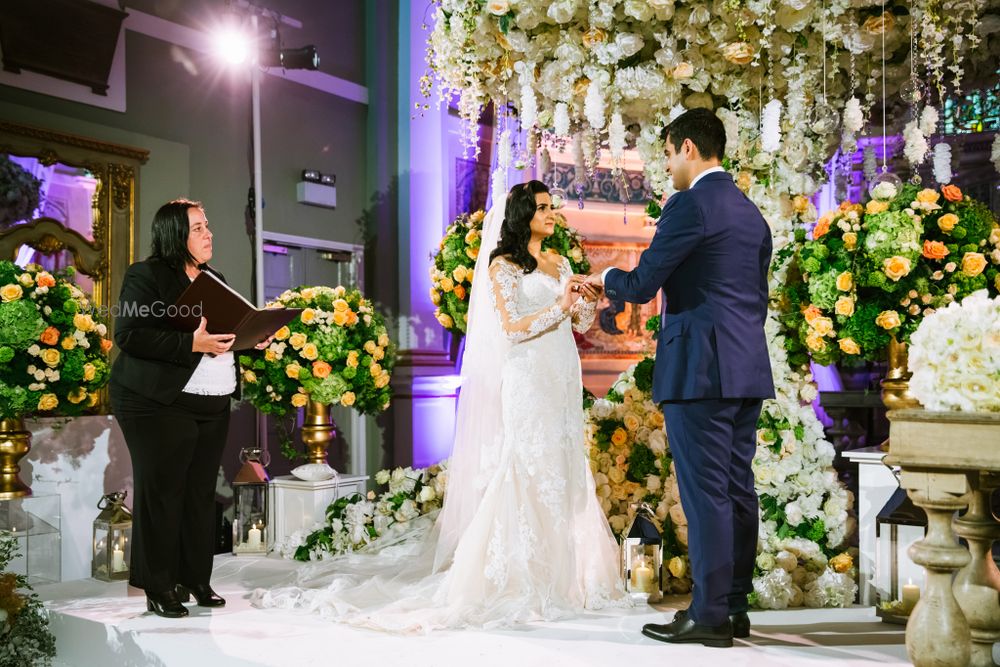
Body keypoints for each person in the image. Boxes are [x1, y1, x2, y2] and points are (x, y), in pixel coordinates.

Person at [254, 180, 630, 632]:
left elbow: (579, 321)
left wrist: (586, 301)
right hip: (528, 377)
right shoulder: (503, 265)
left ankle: (568, 573)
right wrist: (559, 306)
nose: (553, 215)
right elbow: (512, 329)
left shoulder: (560, 260)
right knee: (527, 465)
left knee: (563, 464)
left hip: (562, 373)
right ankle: (521, 576)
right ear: (523, 214)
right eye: (544, 208)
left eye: (553, 207)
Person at [588, 109, 774, 648]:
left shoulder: (689, 203)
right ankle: (734, 605)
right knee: (739, 490)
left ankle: (710, 614)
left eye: (667, 153)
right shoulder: (749, 213)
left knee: (706, 494)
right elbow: (754, 299)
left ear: (688, 148)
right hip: (744, 367)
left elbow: (644, 283)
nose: (666, 165)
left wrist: (605, 277)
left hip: (700, 369)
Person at [111, 199, 267, 618]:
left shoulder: (213, 278)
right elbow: (130, 335)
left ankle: (195, 578)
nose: (208, 233)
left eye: (207, 224)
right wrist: (190, 344)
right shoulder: (145, 275)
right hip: (153, 401)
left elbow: (221, 337)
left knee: (200, 494)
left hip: (209, 399)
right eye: (198, 227)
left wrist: (252, 337)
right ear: (174, 234)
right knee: (163, 493)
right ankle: (158, 586)